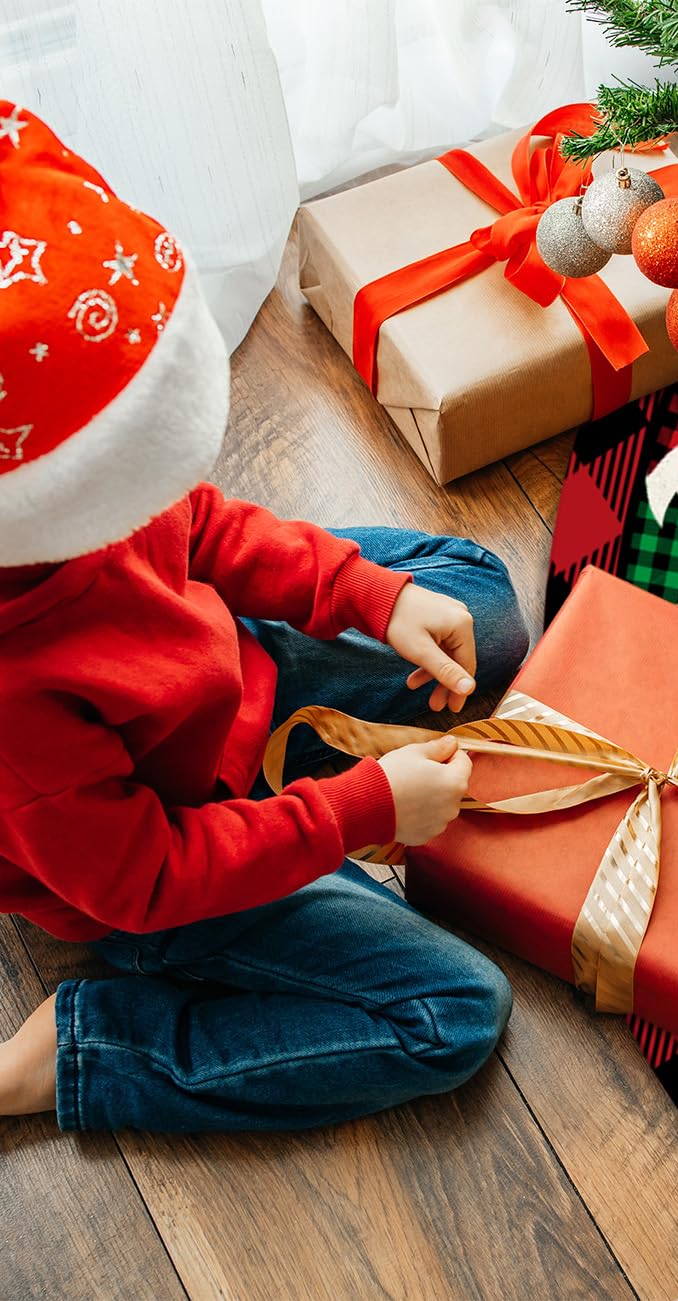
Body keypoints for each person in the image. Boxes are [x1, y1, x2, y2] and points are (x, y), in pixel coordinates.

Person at [0, 103, 529, 1132]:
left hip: (231, 679)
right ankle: (71, 1055)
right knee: (452, 1015)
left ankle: (307, 751)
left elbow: (196, 522)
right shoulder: (18, 714)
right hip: (162, 859)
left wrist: (371, 594)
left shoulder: (78, 481)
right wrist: (360, 813)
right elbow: (147, 877)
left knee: (477, 606)